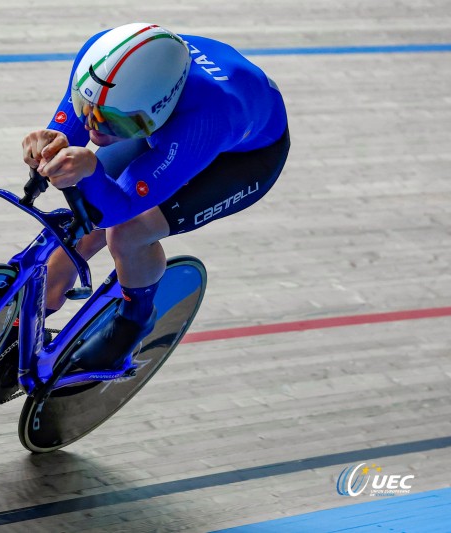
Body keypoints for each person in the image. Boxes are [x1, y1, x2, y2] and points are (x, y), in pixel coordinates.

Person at [21, 22, 290, 370]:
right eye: (89, 110)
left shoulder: (206, 118)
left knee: (129, 232)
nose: (95, 130)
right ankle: (30, 315)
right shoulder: (103, 62)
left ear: (158, 111)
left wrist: (90, 169)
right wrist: (49, 141)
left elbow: (117, 209)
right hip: (167, 122)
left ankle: (134, 320)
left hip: (239, 158)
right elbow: (72, 129)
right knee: (78, 224)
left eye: (115, 124)